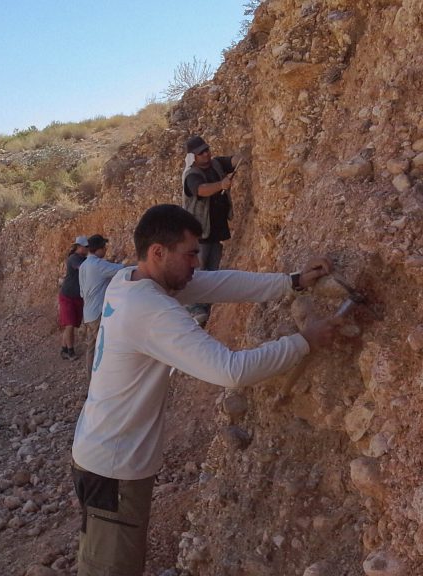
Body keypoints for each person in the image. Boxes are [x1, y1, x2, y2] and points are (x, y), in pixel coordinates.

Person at [70, 204, 337, 576]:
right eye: (191, 253)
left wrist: (290, 281)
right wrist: (303, 342)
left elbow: (218, 283)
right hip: (114, 469)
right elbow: (231, 370)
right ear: (158, 252)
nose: (197, 262)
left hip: (98, 453)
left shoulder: (130, 280)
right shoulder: (150, 309)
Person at [181, 135, 244, 324]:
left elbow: (232, 161)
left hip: (215, 231)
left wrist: (242, 157)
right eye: (201, 152)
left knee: (212, 269)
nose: (206, 154)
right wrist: (221, 185)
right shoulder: (191, 175)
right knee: (198, 271)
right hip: (199, 234)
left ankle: (205, 307)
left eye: (207, 149)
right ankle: (195, 308)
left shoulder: (216, 164)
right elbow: (200, 190)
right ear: (193, 157)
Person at [78, 234, 124, 375]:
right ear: (98, 249)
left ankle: (91, 383)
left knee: (92, 350)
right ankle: (106, 382)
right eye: (104, 247)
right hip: (98, 313)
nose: (105, 250)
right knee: (106, 348)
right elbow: (121, 269)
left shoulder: (84, 265)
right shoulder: (98, 264)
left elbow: (81, 292)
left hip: (88, 314)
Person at [59, 235, 89, 360]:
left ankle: (64, 349)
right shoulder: (74, 258)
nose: (87, 249)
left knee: (70, 325)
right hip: (67, 296)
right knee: (70, 324)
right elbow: (82, 268)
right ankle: (71, 352)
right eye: (85, 247)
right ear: (79, 247)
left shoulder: (83, 258)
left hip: (77, 297)